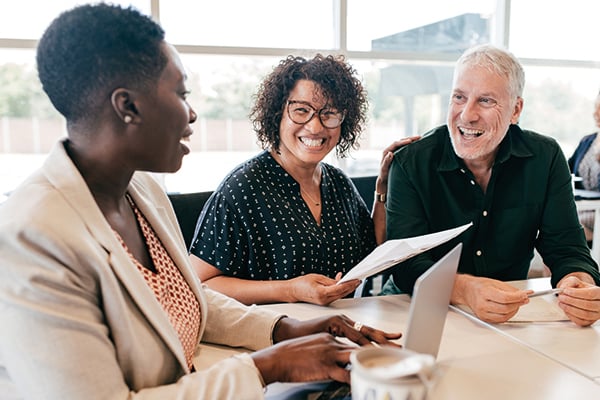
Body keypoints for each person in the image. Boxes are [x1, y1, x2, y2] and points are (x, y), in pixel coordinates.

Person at [0, 4, 402, 399]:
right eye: (180, 93)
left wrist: (285, 330)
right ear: (128, 106)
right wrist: (267, 366)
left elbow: (187, 294)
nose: (192, 114)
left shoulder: (143, 191)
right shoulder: (33, 236)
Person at [383, 43, 600, 327]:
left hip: (508, 314)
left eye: (485, 101)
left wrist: (578, 284)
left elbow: (567, 249)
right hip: (415, 306)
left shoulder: (545, 157)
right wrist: (465, 289)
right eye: (459, 97)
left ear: (516, 109)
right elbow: (406, 265)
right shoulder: (411, 162)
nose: (467, 115)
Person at [189, 54, 419, 306]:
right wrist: (290, 290)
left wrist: (383, 187)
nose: (316, 127)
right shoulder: (242, 189)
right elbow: (201, 284)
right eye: (301, 110)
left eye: (329, 113)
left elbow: (373, 249)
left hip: (339, 327)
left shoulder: (338, 183)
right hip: (271, 335)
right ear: (277, 114)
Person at [568, 91, 600, 242]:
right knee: (550, 224)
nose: (595, 114)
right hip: (582, 206)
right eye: (595, 108)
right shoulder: (587, 141)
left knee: (565, 228)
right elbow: (565, 170)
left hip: (596, 211)